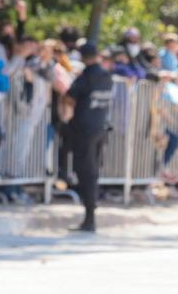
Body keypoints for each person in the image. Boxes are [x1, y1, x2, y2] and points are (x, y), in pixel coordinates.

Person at [66, 41, 113, 233]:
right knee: (92, 173)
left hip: (85, 130)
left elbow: (70, 96)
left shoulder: (86, 76)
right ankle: (90, 217)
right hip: (101, 129)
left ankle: (89, 219)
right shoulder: (106, 76)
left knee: (85, 173)